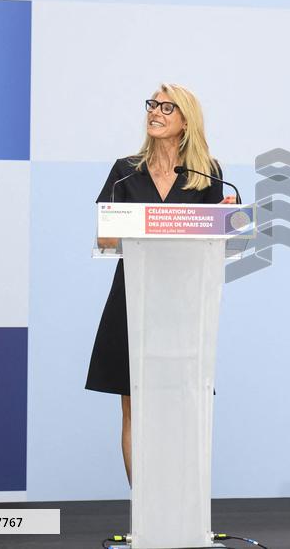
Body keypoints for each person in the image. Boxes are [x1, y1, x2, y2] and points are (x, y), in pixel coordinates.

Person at [86, 83, 237, 485]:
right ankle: (146, 510)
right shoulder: (125, 171)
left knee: (180, 404)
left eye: (167, 107)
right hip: (132, 298)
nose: (155, 112)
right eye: (152, 104)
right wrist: (146, 225)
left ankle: (178, 502)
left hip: (182, 303)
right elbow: (104, 234)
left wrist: (223, 221)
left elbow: (213, 243)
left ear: (186, 120)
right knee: (133, 407)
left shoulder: (207, 174)